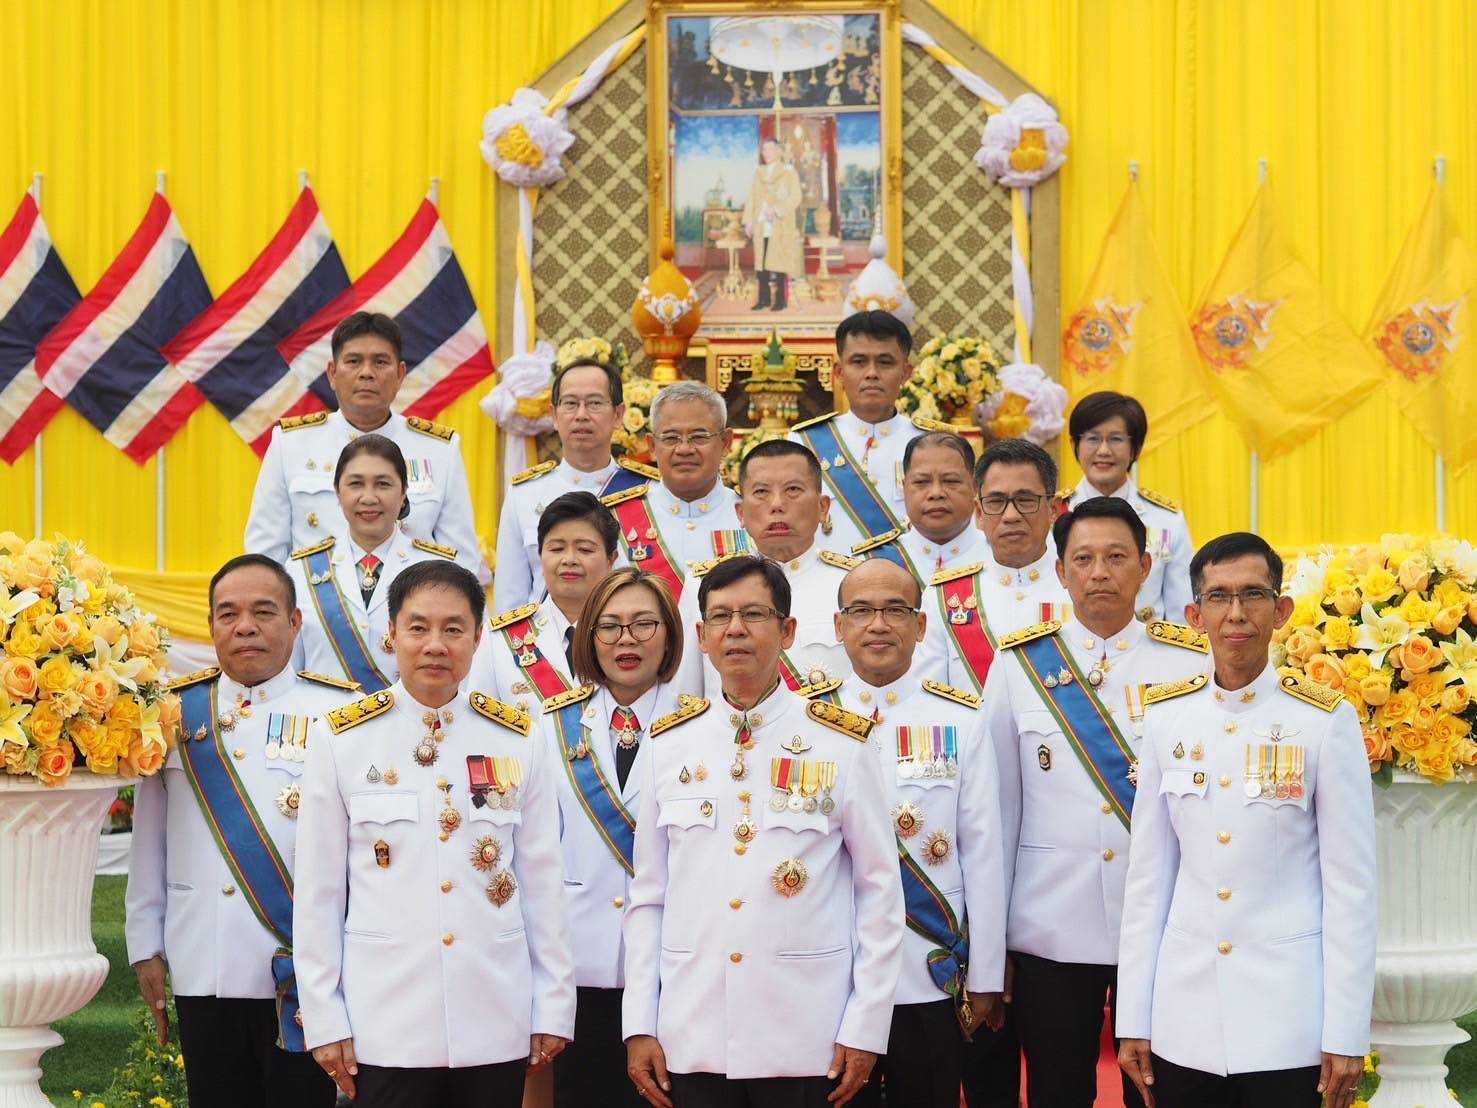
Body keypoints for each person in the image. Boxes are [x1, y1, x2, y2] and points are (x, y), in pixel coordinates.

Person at [623, 555, 904, 1108]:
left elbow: (879, 891)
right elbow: (648, 896)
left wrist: (866, 1025)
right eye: (720, 617)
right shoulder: (667, 743)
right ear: (701, 636)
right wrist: (639, 1022)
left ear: (788, 630)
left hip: (808, 1030)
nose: (735, 630)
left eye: (753, 614)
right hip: (693, 1027)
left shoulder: (842, 743)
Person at [294, 561, 576, 1108]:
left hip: (494, 1011)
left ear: (477, 637)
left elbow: (543, 882)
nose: (435, 645)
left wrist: (553, 1005)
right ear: (391, 634)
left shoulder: (519, 738)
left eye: (453, 629)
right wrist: (325, 1015)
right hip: (386, 1019)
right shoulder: (342, 738)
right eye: (418, 627)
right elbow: (318, 893)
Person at [1117, 533, 1375, 1108]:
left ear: (1281, 610)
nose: (1236, 613)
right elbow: (1148, 879)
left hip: (1287, 1021)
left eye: (1253, 594)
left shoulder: (1324, 721)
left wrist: (1346, 1030)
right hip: (1185, 1017)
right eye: (1218, 596)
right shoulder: (1167, 718)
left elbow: (1350, 889)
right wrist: (1133, 1016)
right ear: (1195, 615)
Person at [977, 495, 1211, 1108]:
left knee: (1160, 1092)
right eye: (1083, 559)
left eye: (1116, 557)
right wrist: (992, 946)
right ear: (1060, 571)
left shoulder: (1191, 661)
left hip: (1164, 923)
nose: (1099, 573)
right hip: (1052, 928)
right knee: (1057, 1091)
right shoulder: (1019, 665)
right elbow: (996, 815)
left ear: (1145, 567)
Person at [125, 554, 362, 1108]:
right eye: (228, 614)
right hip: (203, 958)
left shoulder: (341, 713)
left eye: (264, 611)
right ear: (210, 625)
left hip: (304, 965)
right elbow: (149, 840)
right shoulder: (174, 714)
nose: (245, 626)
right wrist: (145, 943)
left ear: (295, 622)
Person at [831, 558, 1006, 1108]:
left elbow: (982, 852)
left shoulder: (961, 720)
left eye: (895, 610)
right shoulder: (809, 718)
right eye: (861, 611)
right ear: (838, 625)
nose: (878, 625)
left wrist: (986, 974)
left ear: (921, 624)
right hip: (833, 968)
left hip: (925, 966)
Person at [536, 567, 684, 1108]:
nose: (627, 639)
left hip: (674, 970)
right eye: (609, 626)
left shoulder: (698, 725)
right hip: (580, 968)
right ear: (588, 637)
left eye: (644, 624)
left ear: (670, 635)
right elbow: (537, 860)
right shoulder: (549, 727)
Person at [245, 311, 486, 581]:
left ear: (400, 374)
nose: (367, 373)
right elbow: (265, 557)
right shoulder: (290, 444)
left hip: (409, 602)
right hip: (318, 602)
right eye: (354, 361)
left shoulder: (440, 450)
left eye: (380, 362)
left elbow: (461, 560)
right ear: (332, 374)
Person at [674, 440, 860, 697]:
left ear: (822, 507)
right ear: (740, 512)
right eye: (761, 492)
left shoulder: (855, 584)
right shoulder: (704, 585)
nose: (777, 504)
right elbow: (686, 697)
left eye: (793, 489)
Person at [287, 433, 459, 693]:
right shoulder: (299, 570)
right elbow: (288, 673)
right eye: (356, 484)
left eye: (383, 484)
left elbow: (464, 667)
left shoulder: (442, 570)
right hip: (323, 718)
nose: (369, 498)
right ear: (338, 492)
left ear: (403, 493)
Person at [494, 358, 657, 610]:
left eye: (594, 403)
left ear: (618, 415)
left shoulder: (650, 491)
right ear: (554, 415)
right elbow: (510, 601)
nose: (581, 415)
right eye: (570, 404)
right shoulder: (524, 494)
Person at [915, 439, 1071, 695]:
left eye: (1025, 500)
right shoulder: (943, 597)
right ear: (979, 512)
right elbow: (930, 697)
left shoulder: (1082, 586)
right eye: (996, 502)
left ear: (1053, 509)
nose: (1011, 516)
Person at [469, 491, 619, 716]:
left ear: (611, 560)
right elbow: (480, 724)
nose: (569, 560)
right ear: (540, 556)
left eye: (585, 550)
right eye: (556, 549)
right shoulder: (500, 638)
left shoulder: (633, 634)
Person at [790, 311, 924, 557]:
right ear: (839, 372)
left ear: (906, 373)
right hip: (830, 576)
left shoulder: (932, 443)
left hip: (910, 576)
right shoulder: (802, 443)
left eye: (885, 362)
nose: (872, 373)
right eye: (859, 362)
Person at [1062, 391, 1194, 622]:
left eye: (1116, 439)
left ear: (1136, 448)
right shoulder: (1051, 514)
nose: (1104, 451)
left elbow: (1181, 614)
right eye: (1093, 439)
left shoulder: (1167, 520)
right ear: (1075, 445)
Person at [600, 381, 741, 598]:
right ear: (652, 446)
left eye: (699, 437)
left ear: (726, 442)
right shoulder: (612, 519)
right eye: (671, 438)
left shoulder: (752, 513)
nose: (684, 449)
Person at [893, 430, 991, 577]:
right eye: (921, 482)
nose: (936, 493)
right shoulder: (877, 562)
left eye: (951, 481)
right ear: (903, 486)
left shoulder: (1003, 559)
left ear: (975, 486)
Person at [743, 137, 804, 312]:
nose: (766, 153)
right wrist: (748, 221)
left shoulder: (788, 171)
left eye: (770, 149)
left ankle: (780, 300)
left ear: (779, 151)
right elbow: (752, 197)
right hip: (761, 224)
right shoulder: (758, 172)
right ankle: (763, 299)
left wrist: (777, 209)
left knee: (779, 262)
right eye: (764, 150)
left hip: (780, 224)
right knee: (761, 263)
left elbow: (796, 196)